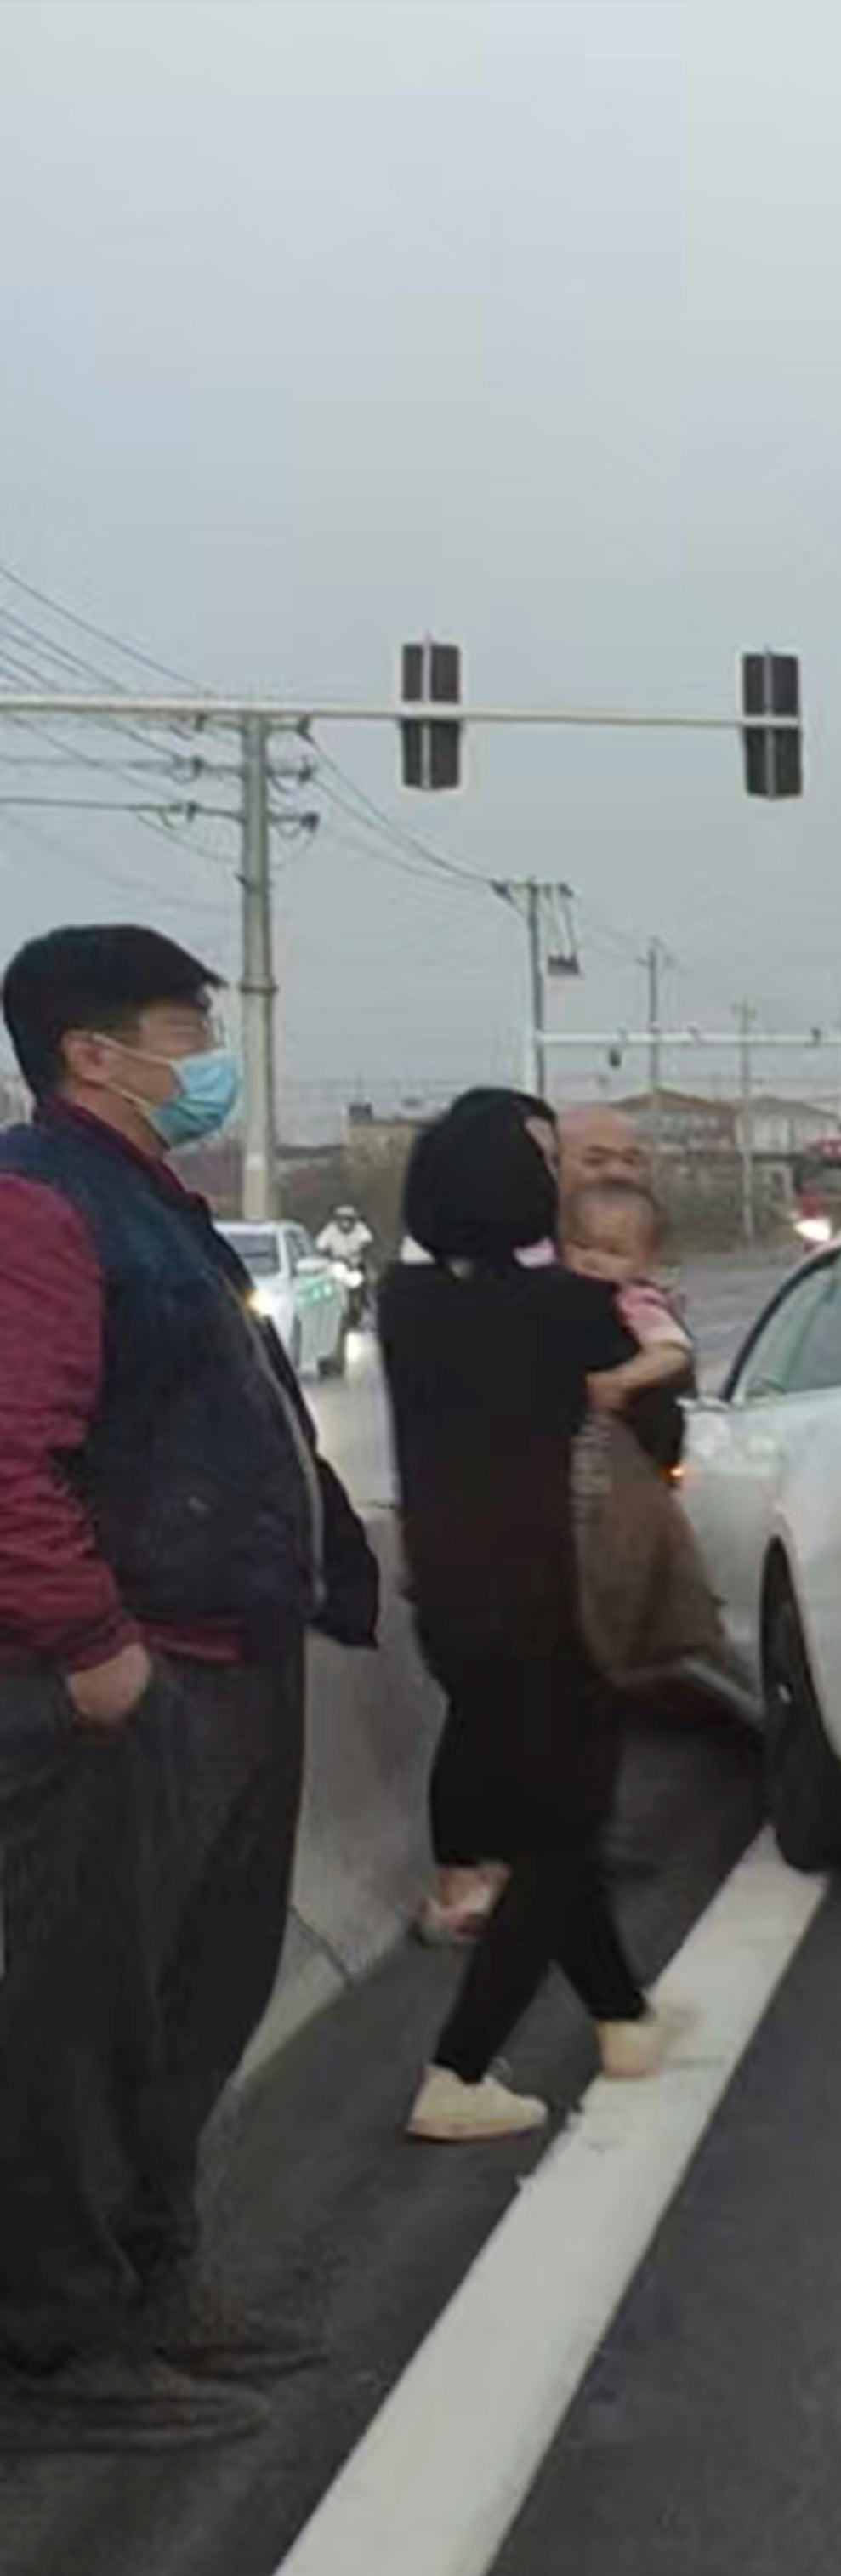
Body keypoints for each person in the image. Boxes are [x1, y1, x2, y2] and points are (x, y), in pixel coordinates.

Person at [0, 924, 380, 2452]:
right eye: (180, 1028)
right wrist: (96, 1646)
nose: (201, 1058)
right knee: (78, 2020)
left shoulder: (160, 1206)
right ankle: (59, 2335)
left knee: (187, 2006)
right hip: (123, 1685)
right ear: (93, 1052)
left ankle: (158, 2281)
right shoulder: (41, 1206)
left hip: (234, 1663)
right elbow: (11, 1452)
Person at [378, 1092, 677, 2144]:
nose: (562, 1181)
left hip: (455, 1610)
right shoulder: (568, 1314)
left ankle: (623, 2017)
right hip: (559, 1606)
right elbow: (662, 1422)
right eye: (546, 1163)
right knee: (561, 1843)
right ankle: (458, 2072)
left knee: (555, 1826)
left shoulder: (403, 1303)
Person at [555, 1180, 692, 1413]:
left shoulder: (634, 1301)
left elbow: (672, 1353)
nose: (593, 1259)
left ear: (645, 1262)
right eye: (581, 1245)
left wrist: (619, 1380)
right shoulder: (550, 1290)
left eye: (613, 1251)